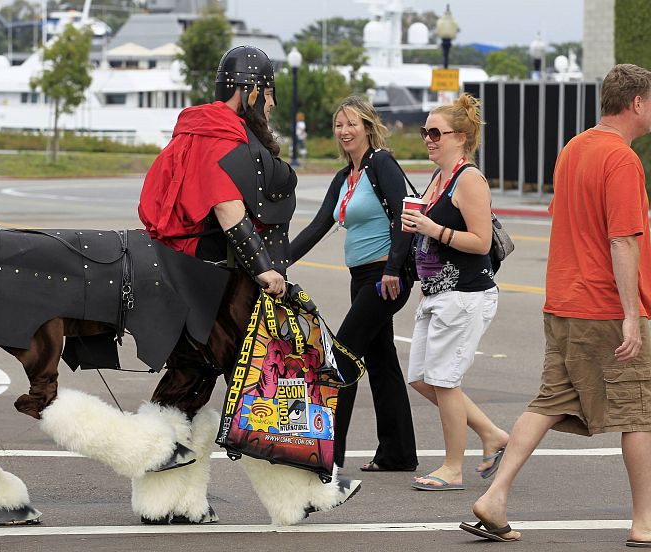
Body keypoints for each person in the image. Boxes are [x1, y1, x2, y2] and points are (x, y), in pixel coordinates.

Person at [135, 45, 361, 527]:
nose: (273, 105)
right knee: (272, 382)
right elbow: (226, 208)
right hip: (219, 283)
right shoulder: (220, 136)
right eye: (269, 93)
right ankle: (307, 490)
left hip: (188, 274)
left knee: (185, 388)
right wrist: (264, 269)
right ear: (251, 91)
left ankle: (163, 501)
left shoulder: (197, 129)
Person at [462, 64, 651, 545]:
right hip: (604, 307)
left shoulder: (574, 148)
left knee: (550, 401)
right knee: (638, 413)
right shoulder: (623, 160)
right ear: (637, 103)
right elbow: (622, 240)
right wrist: (632, 316)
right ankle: (644, 522)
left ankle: (495, 496)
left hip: (563, 301)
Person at [290, 95, 419, 472]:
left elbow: (405, 213)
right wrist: (271, 264)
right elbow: (317, 227)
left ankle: (327, 454)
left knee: (341, 357)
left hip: (385, 278)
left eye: (351, 124)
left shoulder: (381, 163)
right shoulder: (345, 176)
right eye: (338, 125)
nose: (344, 131)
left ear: (367, 127)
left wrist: (394, 268)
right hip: (360, 278)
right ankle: (398, 453)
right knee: (381, 363)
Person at [400, 93, 509, 491]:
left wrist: (434, 230)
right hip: (436, 293)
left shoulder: (470, 180)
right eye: (424, 131)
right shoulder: (438, 178)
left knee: (445, 381)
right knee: (421, 378)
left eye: (436, 132)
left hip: (465, 294)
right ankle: (493, 434)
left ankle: (452, 467)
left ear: (460, 137)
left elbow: (480, 242)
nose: (428, 139)